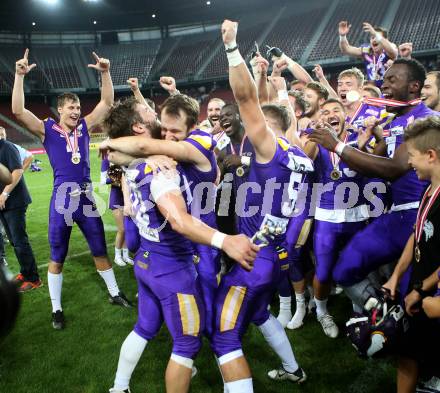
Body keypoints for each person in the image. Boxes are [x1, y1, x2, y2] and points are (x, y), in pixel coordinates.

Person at [101, 97, 258, 393]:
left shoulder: (168, 148)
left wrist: (143, 154)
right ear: (139, 126)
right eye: (150, 113)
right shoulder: (161, 170)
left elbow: (113, 150)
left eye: (175, 131)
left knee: (147, 326)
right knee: (189, 342)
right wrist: (225, 240)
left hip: (149, 259)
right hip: (175, 262)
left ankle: (119, 387)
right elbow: (179, 221)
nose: (164, 129)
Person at [210, 20, 313, 392]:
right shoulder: (297, 153)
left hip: (255, 256)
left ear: (267, 128)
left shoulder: (267, 146)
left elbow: (247, 101)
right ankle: (293, 368)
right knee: (258, 314)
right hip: (278, 253)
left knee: (222, 335)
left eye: (257, 128)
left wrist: (232, 48)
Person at [12, 49, 131, 330]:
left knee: (99, 249)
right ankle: (56, 308)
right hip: (62, 199)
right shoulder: (47, 129)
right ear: (60, 110)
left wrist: (105, 72)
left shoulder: (85, 127)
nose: (77, 112)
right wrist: (19, 76)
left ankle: (114, 293)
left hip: (86, 198)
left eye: (78, 108)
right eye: (71, 108)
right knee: (57, 255)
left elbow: (107, 102)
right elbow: (17, 111)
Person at [309, 59, 439, 308]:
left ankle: (395, 323)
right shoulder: (392, 123)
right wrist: (366, 145)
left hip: (422, 215)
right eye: (385, 79)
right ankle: (381, 312)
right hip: (395, 214)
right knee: (345, 267)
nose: (384, 84)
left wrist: (337, 145)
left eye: (392, 79)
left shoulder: (426, 120)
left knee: (410, 293)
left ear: (413, 87)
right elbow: (375, 164)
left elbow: (394, 169)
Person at [381, 117, 440, 393]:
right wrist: (396, 276)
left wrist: (420, 290)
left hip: (431, 291)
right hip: (420, 286)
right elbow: (416, 234)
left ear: (431, 155)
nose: (409, 163)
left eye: (413, 157)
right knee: (409, 350)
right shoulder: (428, 188)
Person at [0, 135, 40, 291]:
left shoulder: (7, 147)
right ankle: (25, 273)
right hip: (4, 204)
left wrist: (5, 194)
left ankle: (34, 278)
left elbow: (17, 172)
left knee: (20, 242)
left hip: (14, 202)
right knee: (14, 241)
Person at [338, 21, 397, 86]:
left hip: (388, 88)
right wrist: (342, 36)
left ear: (385, 39)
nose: (374, 40)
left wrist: (375, 33)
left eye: (376, 37)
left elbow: (393, 52)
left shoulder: (389, 49)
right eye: (372, 37)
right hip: (373, 90)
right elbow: (346, 49)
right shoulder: (367, 51)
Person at [100, 157, 133, 267]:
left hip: (129, 196)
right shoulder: (106, 160)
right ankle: (117, 256)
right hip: (116, 197)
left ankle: (126, 255)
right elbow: (103, 180)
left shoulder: (127, 156)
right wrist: (118, 177)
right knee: (122, 229)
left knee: (128, 228)